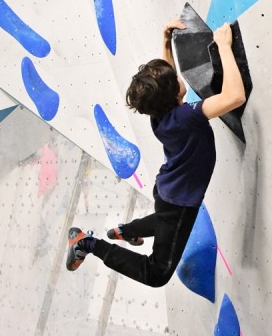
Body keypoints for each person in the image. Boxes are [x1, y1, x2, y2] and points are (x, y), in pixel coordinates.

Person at [65, 18, 246, 286]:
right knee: (157, 274)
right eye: (175, 78)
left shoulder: (159, 114)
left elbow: (166, 85)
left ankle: (124, 231)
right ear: (174, 94)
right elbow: (235, 96)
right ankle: (89, 244)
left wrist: (166, 42)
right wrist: (223, 46)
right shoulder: (187, 117)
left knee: (163, 221)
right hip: (179, 201)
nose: (177, 75)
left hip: (167, 190)